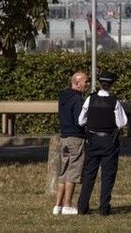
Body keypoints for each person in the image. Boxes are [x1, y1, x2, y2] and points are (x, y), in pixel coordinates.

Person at [76, 71, 128, 216]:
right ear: (112, 84)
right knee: (108, 175)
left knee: (89, 174)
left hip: (92, 140)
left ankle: (82, 207)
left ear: (99, 83)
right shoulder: (114, 102)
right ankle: (104, 208)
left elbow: (81, 121)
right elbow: (122, 122)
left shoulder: (90, 100)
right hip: (109, 141)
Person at [52, 71, 89, 216]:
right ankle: (67, 205)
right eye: (85, 81)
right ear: (77, 82)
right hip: (76, 137)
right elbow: (80, 120)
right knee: (73, 172)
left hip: (64, 137)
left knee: (64, 172)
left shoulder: (63, 97)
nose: (87, 84)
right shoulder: (78, 99)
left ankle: (58, 205)